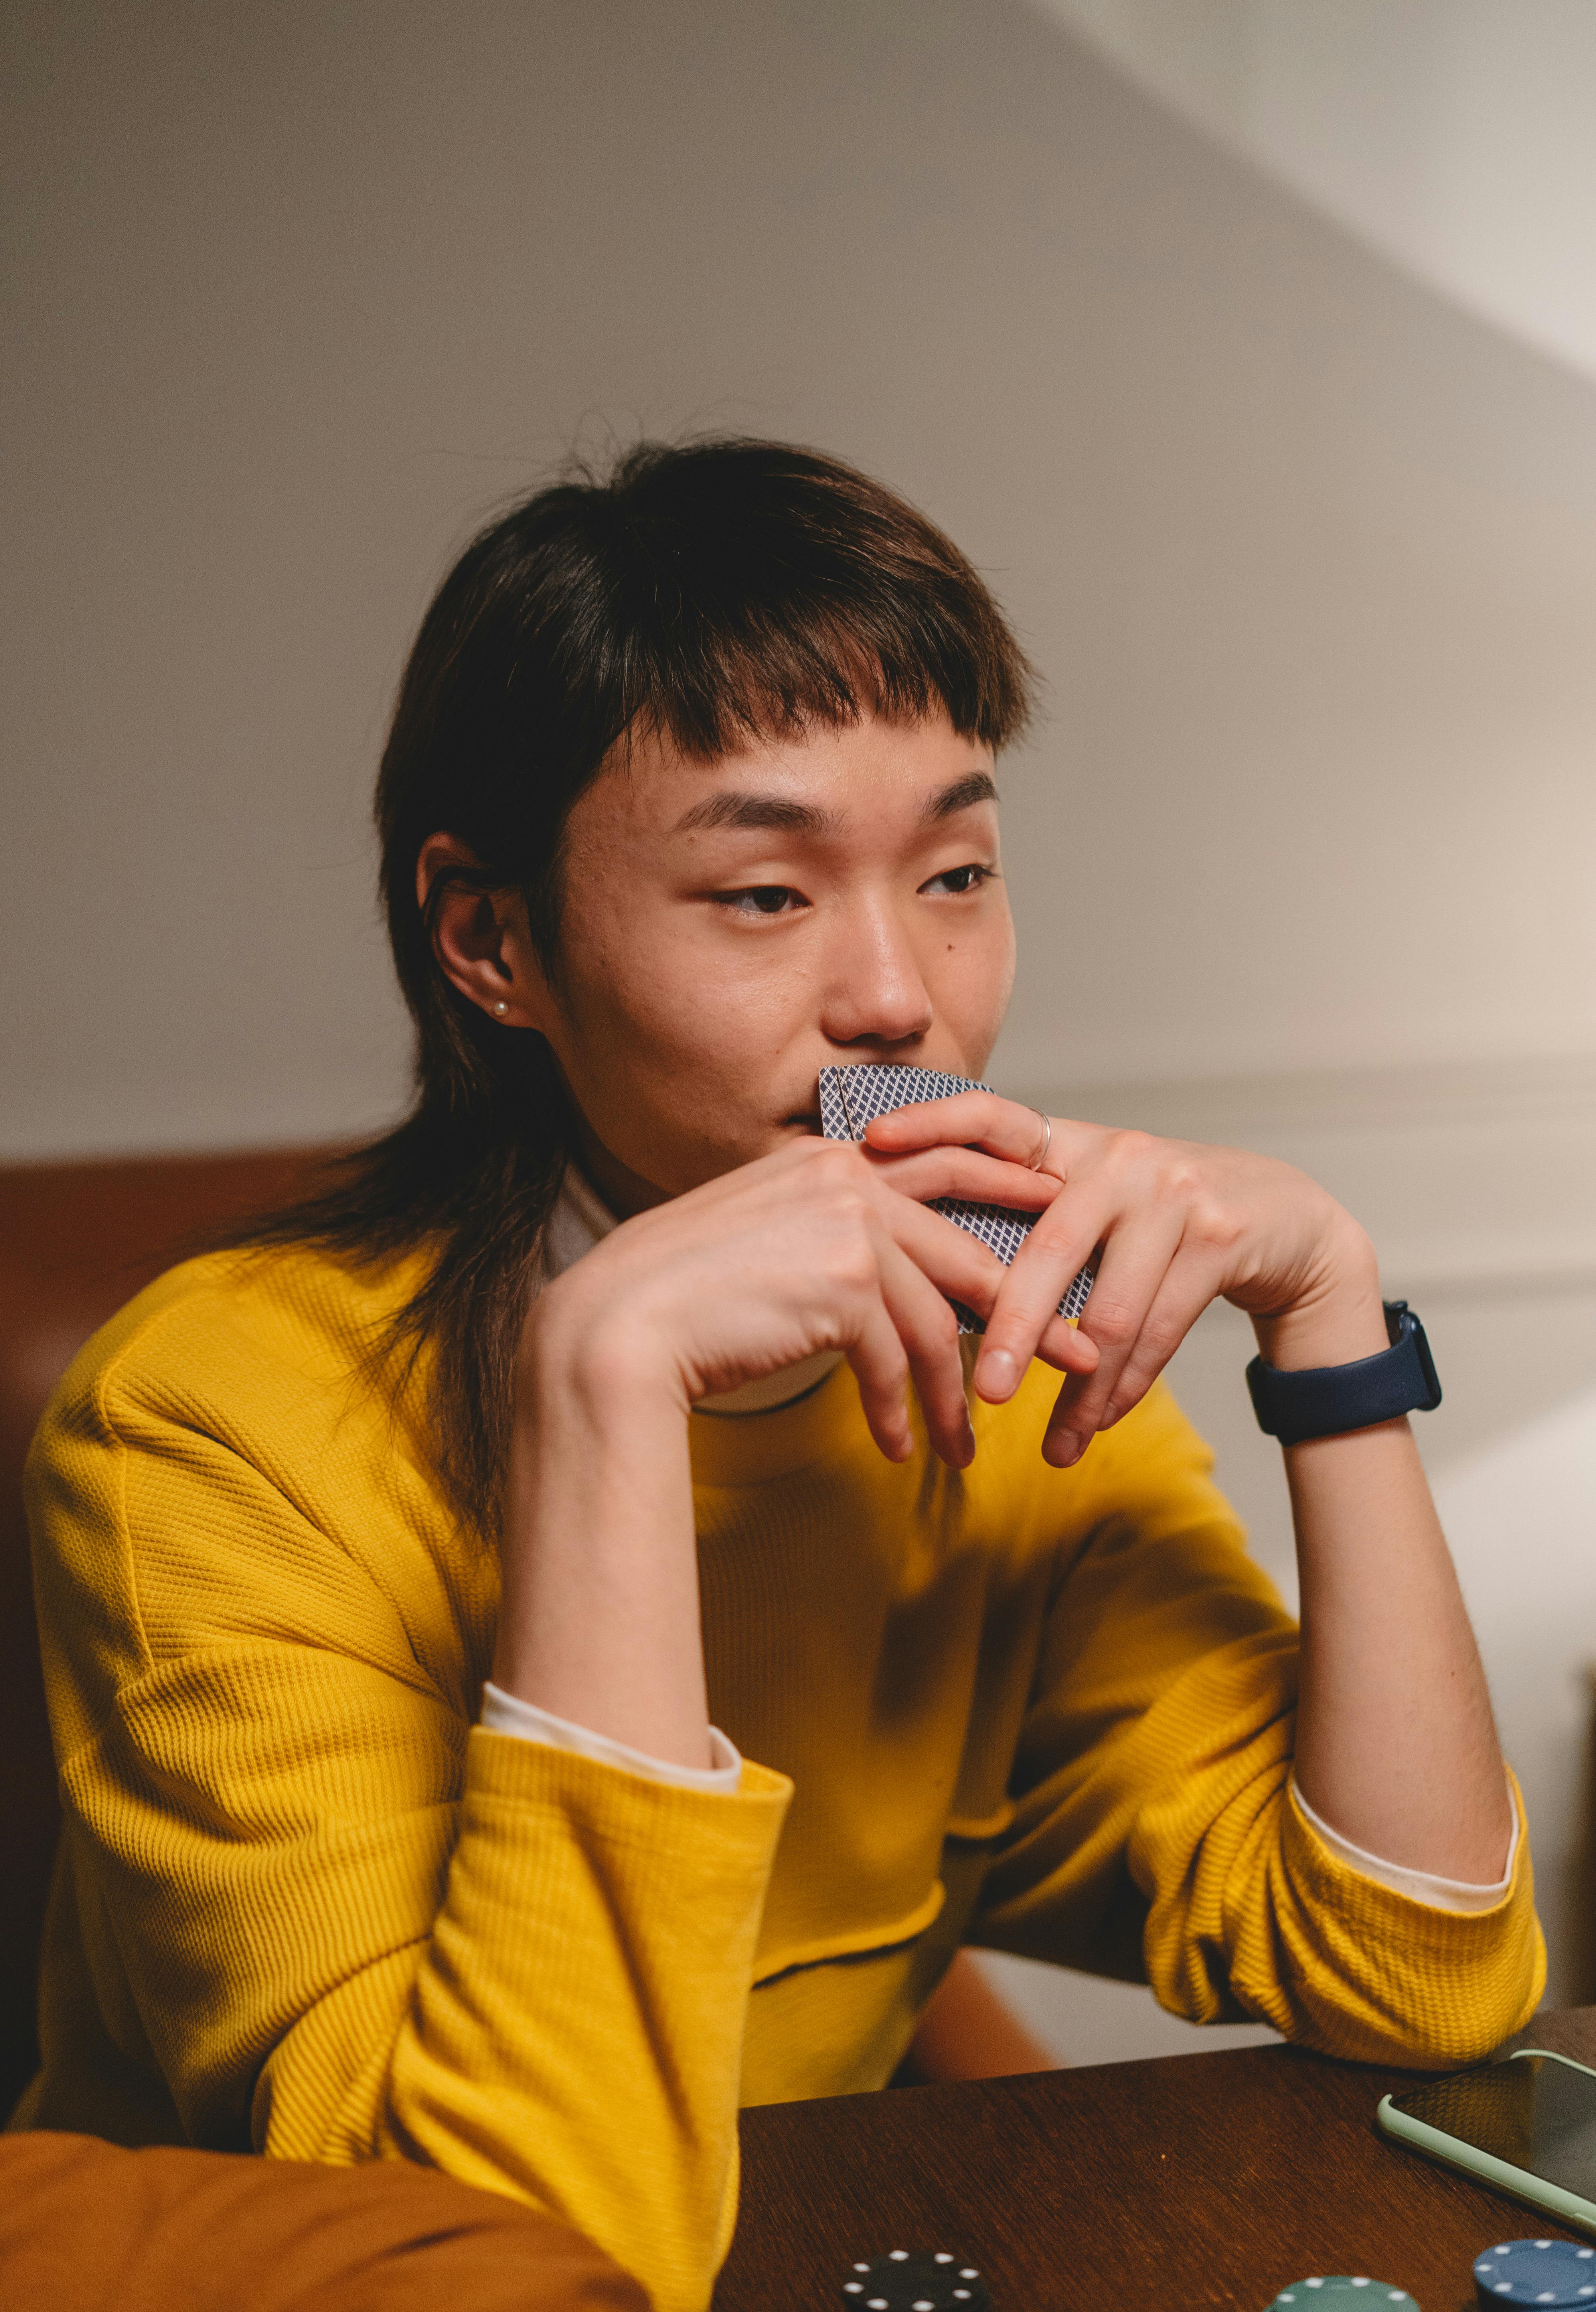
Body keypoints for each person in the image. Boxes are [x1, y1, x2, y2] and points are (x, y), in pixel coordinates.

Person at [19, 440, 1541, 2312]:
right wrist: (603, 1392)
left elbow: (1424, 1978)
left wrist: (1328, 1313)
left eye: (957, 870)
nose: (900, 997)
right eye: (764, 894)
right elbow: (498, 2267)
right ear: (493, 938)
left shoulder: (1007, 1352)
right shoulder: (206, 1422)